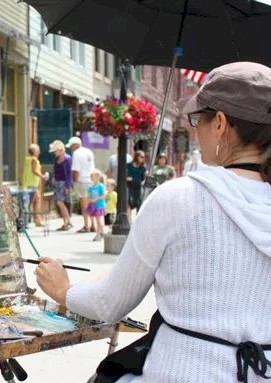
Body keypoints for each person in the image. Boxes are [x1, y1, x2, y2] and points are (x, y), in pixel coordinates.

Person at [35, 61, 271, 382]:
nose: (193, 128)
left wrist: (64, 290)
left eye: (196, 119)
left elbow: (109, 305)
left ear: (220, 123)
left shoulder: (179, 198)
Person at [67, 136, 95, 233]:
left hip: (82, 180)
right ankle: (93, 224)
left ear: (76, 145)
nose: (71, 148)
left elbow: (76, 169)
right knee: (90, 203)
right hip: (90, 180)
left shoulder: (76, 153)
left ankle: (86, 225)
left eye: (71, 146)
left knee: (84, 204)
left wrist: (74, 181)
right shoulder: (88, 151)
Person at [21, 143, 48, 227]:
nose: (39, 152)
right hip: (32, 185)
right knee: (36, 202)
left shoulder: (27, 159)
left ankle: (32, 221)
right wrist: (43, 176)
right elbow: (34, 170)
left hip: (27, 184)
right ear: (35, 151)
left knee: (28, 204)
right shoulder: (34, 160)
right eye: (38, 150)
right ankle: (37, 221)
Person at [49, 140, 73, 231]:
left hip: (64, 183)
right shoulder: (57, 159)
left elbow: (69, 174)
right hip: (58, 183)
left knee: (60, 202)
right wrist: (54, 178)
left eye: (55, 151)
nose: (55, 153)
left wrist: (68, 186)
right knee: (60, 203)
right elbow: (55, 169)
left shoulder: (67, 158)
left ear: (60, 149)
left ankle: (68, 222)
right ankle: (66, 222)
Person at [86, 169, 106, 241]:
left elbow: (103, 195)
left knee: (99, 220)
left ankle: (99, 233)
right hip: (93, 206)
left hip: (100, 205)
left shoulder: (101, 186)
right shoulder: (90, 187)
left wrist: (96, 199)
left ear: (98, 177)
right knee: (97, 219)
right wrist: (90, 200)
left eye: (93, 176)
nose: (91, 178)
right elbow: (89, 195)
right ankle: (101, 232)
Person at [126, 150, 147, 219]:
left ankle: (137, 222)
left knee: (139, 205)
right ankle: (129, 223)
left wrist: (139, 182)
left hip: (138, 188)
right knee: (129, 204)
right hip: (129, 187)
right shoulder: (128, 165)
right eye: (141, 157)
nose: (143, 158)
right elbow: (125, 177)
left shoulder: (143, 168)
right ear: (137, 156)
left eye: (144, 157)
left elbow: (144, 179)